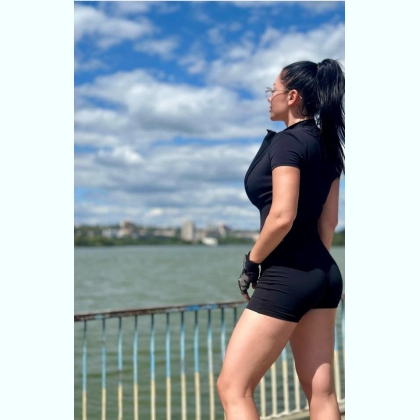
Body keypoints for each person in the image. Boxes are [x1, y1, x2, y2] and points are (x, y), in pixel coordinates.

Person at [217, 58, 345, 420]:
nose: (268, 97)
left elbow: (282, 216)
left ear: (291, 97)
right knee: (321, 392)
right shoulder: (330, 147)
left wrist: (252, 262)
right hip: (324, 273)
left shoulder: (288, 143)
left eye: (271, 90)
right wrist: (313, 270)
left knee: (233, 387)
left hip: (287, 272)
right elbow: (329, 222)